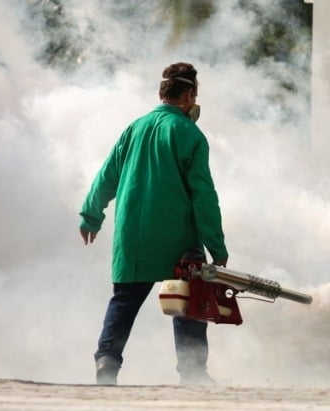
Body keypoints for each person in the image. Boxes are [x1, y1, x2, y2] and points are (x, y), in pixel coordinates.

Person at [79, 62, 228, 386]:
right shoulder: (189, 134)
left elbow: (107, 175)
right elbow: (203, 194)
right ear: (189, 95)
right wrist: (216, 245)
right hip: (178, 238)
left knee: (125, 300)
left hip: (133, 233)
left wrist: (91, 214)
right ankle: (192, 372)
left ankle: (107, 362)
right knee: (188, 298)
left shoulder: (134, 128)